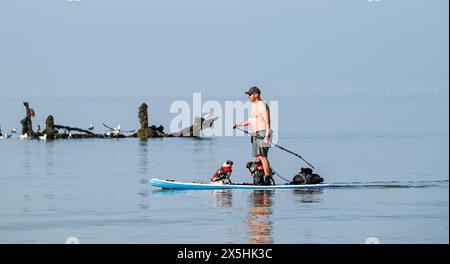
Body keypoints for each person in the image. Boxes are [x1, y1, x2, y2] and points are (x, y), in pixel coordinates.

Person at [233, 86, 273, 185]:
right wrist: (237, 125)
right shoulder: (253, 106)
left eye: (250, 94)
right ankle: (259, 179)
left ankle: (267, 179)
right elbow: (250, 121)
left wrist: (267, 136)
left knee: (263, 156)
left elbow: (268, 121)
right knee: (257, 158)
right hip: (255, 134)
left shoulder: (262, 105)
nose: (249, 96)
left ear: (256, 95)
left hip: (263, 133)